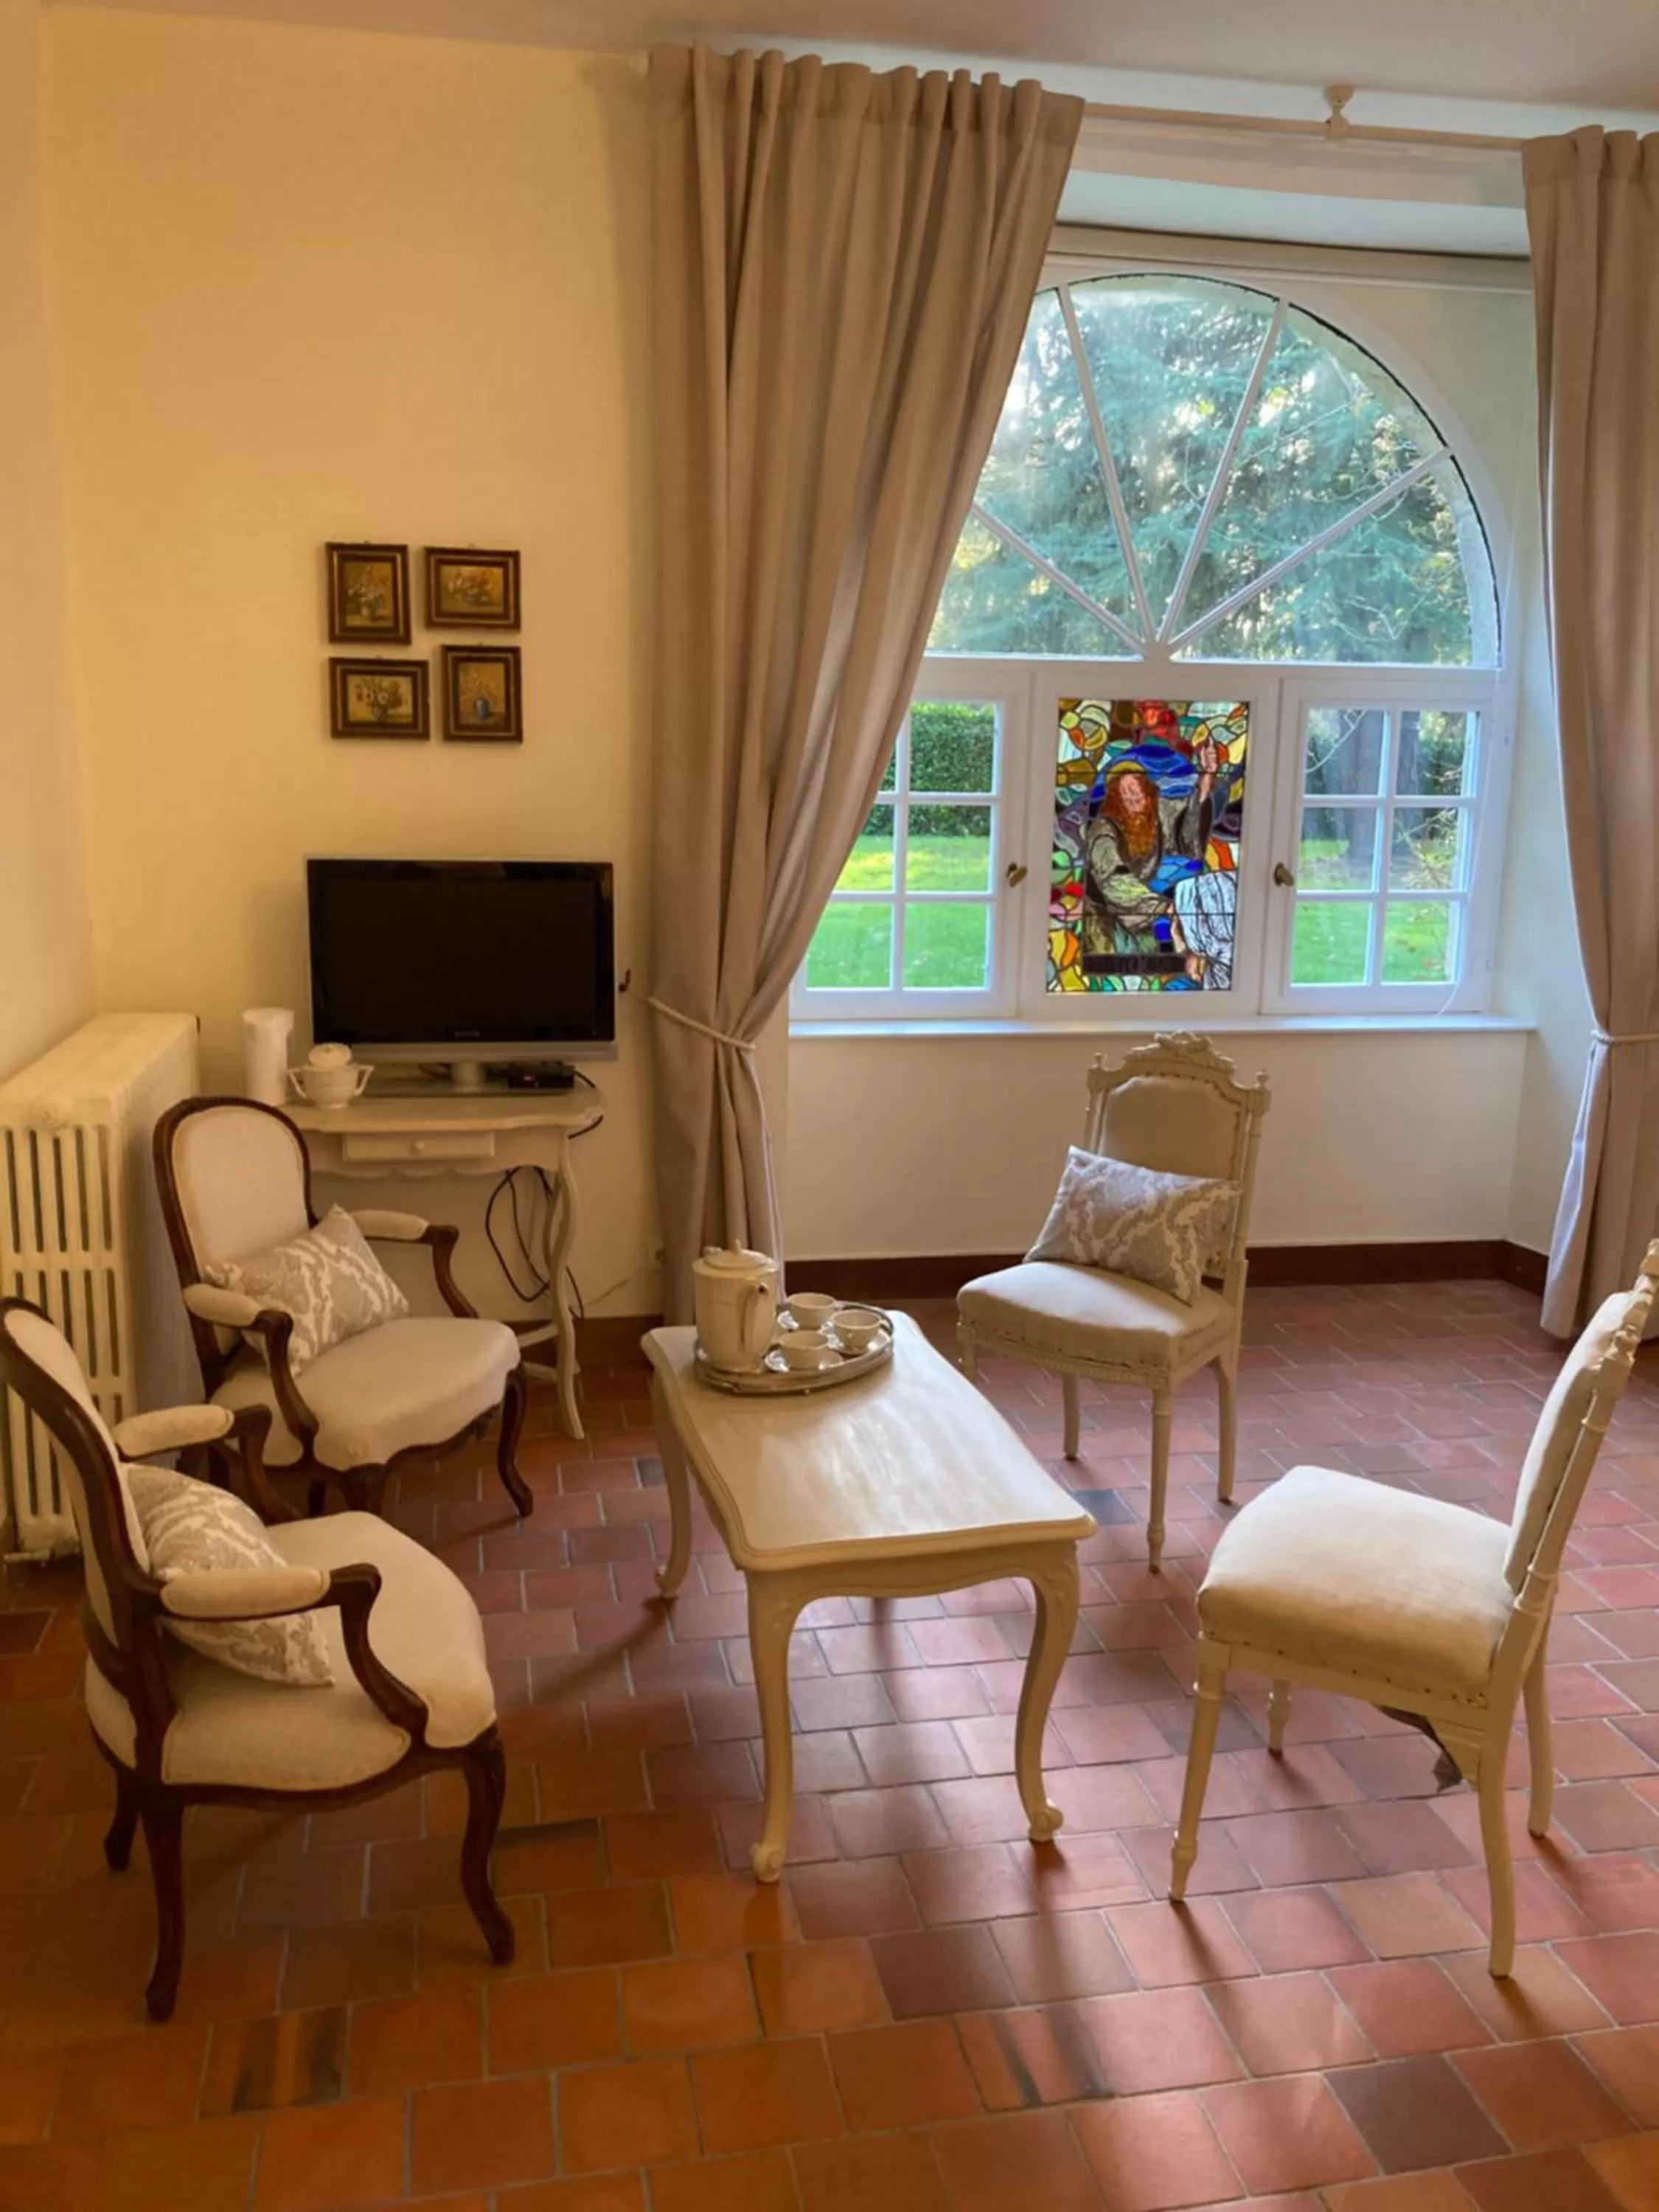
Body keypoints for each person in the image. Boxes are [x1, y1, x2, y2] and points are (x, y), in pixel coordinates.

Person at [1082, 734, 1220, 976]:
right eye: (1124, 793)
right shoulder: (1103, 830)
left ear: (1148, 793)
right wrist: (1163, 908)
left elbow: (1187, 818)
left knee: (1153, 970)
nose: (1132, 797)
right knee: (1112, 976)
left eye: (1136, 790)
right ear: (1115, 798)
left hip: (1145, 913)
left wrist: (1207, 775)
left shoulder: (1154, 816)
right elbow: (1114, 878)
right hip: (1106, 919)